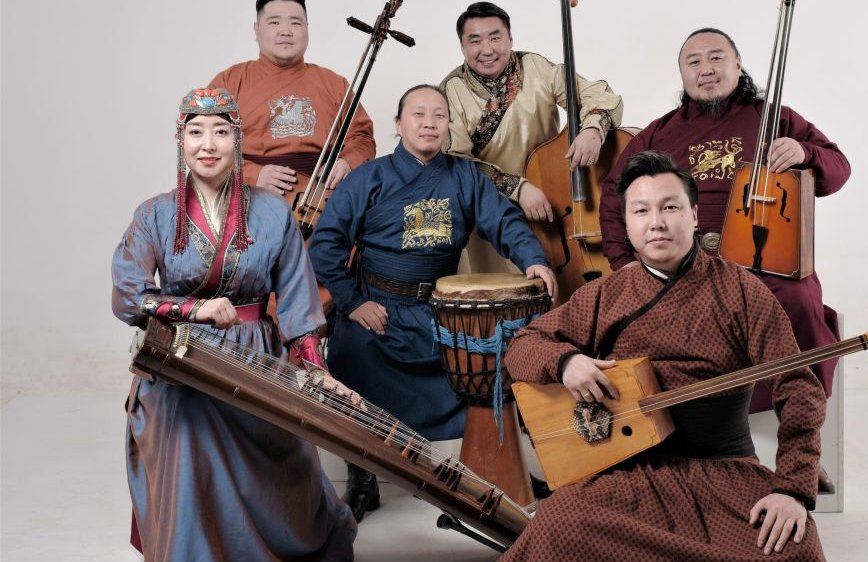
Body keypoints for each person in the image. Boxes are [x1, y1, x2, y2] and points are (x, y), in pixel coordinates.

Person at [502, 151, 827, 561]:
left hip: (723, 470)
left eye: (669, 207)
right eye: (641, 211)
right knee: (559, 524)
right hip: (626, 473)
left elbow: (799, 389)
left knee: (795, 547)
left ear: (694, 215)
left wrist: (792, 489)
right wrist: (566, 362)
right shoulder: (605, 294)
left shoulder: (741, 290)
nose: (655, 222)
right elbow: (522, 346)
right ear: (627, 224)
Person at [112, 88, 362, 561]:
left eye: (221, 132)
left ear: (237, 140)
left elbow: (298, 301)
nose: (208, 145)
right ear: (180, 140)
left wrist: (316, 370)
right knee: (187, 464)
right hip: (180, 363)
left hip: (255, 360)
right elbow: (128, 296)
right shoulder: (154, 214)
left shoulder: (271, 212)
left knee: (281, 475)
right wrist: (194, 310)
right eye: (196, 132)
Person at [598, 29, 849, 490]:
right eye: (693, 62)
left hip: (761, 260)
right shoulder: (660, 132)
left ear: (737, 65)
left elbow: (838, 168)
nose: (706, 69)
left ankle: (801, 447)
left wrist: (806, 152)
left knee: (798, 302)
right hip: (683, 266)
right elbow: (616, 193)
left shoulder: (773, 118)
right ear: (682, 74)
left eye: (716, 58)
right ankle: (657, 452)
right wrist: (624, 263)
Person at [308, 84, 557, 522]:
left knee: (496, 362)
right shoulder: (368, 178)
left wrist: (533, 259)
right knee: (350, 358)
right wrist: (353, 303)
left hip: (440, 311)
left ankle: (497, 468)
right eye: (418, 114)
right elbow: (324, 245)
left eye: (439, 115)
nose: (429, 123)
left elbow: (504, 220)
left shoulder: (465, 177)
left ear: (448, 125)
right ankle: (362, 475)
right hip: (377, 308)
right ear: (399, 124)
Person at [441, 1, 622, 273]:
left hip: (554, 202)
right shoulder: (451, 90)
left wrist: (593, 129)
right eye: (475, 41)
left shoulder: (535, 67)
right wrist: (518, 188)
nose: (487, 50)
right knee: (505, 290)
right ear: (462, 46)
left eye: (495, 38)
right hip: (491, 210)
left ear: (510, 39)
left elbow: (596, 94)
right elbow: (456, 164)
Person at [209, 0, 375, 196]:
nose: (286, 31)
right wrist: (252, 175)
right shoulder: (229, 82)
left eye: (295, 23)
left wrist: (346, 162)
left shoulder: (334, 83)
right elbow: (204, 143)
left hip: (320, 197)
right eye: (274, 22)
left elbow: (362, 137)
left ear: (307, 28)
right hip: (249, 196)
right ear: (256, 29)